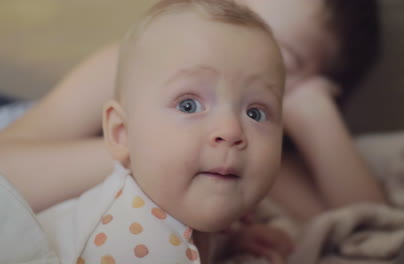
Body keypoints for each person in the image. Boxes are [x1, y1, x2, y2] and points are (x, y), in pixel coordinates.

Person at [0, 0, 384, 223]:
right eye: (231, 12)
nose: (236, 43)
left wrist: (317, 115)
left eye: (279, 53)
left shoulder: (239, 146)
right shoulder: (139, 65)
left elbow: (371, 226)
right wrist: (150, 154)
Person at [36, 0, 293, 263]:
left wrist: (230, 243)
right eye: (188, 105)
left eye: (255, 113)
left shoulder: (181, 206)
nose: (230, 131)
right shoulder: (133, 245)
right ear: (121, 133)